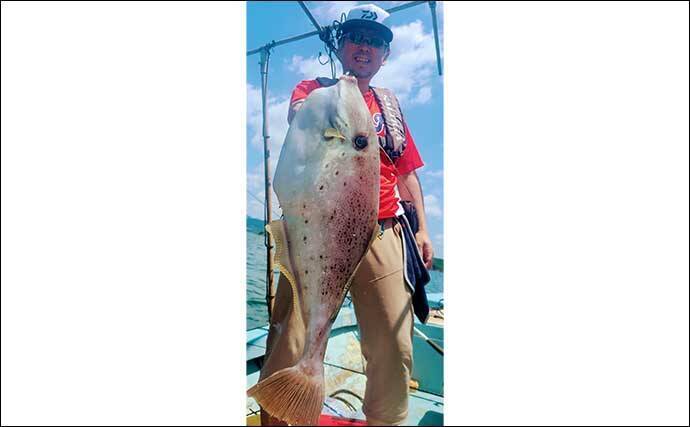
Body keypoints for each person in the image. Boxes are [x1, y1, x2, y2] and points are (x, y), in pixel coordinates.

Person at [259, 4, 434, 426]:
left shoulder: (390, 108)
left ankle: (386, 420)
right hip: (315, 232)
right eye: (357, 37)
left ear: (385, 56)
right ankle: (280, 412)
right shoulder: (315, 90)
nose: (365, 47)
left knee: (394, 346)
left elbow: (407, 172)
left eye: (376, 42)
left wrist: (424, 228)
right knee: (291, 335)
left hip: (385, 231)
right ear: (341, 44)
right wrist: (336, 96)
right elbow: (299, 117)